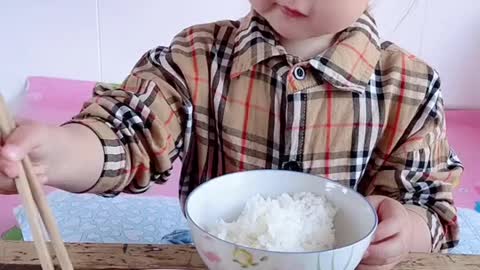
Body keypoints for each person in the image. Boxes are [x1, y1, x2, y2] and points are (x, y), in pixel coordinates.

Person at [0, 1, 463, 269]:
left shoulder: (410, 86)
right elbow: (131, 131)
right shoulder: (198, 55)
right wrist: (54, 154)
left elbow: (432, 208)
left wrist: (407, 231)